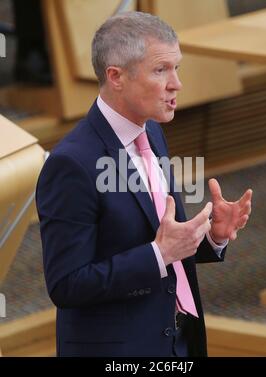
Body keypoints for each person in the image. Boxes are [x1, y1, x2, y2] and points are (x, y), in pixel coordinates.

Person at [36, 11, 252, 357]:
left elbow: (154, 238)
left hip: (176, 342)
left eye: (176, 68)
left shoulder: (151, 131)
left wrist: (212, 236)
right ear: (116, 77)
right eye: (160, 70)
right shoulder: (71, 164)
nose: (176, 84)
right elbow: (66, 284)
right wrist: (160, 253)